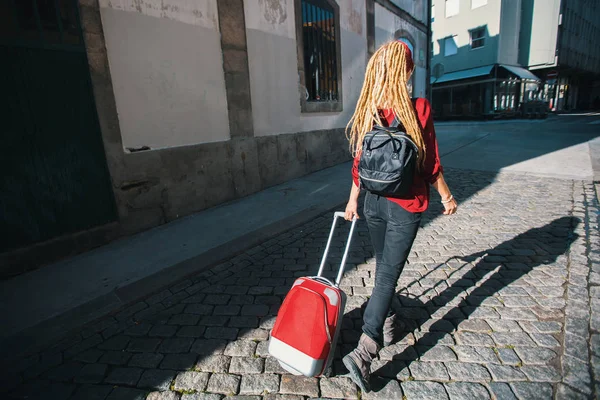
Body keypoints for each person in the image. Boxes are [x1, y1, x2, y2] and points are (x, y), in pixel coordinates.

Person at [342, 40, 458, 392]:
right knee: (387, 275)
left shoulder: (370, 110)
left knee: (384, 269)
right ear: (405, 71)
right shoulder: (417, 108)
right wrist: (447, 197)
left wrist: (352, 202)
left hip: (374, 203)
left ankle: (390, 317)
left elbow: (359, 165)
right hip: (406, 205)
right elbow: (429, 163)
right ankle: (365, 350)